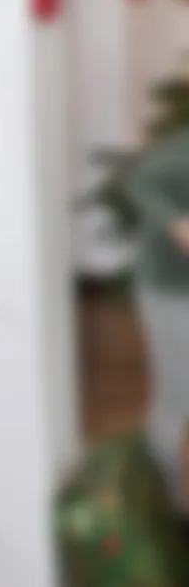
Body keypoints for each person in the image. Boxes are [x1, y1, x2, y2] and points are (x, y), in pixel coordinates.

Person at [126, 123, 189, 522]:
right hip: (169, 288)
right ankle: (170, 498)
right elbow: (141, 181)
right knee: (178, 388)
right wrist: (175, 223)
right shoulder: (179, 150)